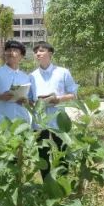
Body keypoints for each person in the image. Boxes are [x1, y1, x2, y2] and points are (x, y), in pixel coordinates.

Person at [29, 41, 78, 176]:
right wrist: (36, 102)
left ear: (50, 53)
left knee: (62, 151)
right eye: (36, 52)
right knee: (43, 155)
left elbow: (73, 94)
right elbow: (30, 99)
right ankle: (47, 185)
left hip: (59, 119)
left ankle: (62, 184)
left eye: (41, 51)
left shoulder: (63, 72)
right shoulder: (32, 76)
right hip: (40, 121)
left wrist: (58, 99)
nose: (38, 54)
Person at [0, 39, 36, 126]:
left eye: (15, 51)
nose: (11, 53)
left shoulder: (26, 77)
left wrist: (26, 101)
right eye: (8, 50)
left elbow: (31, 102)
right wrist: (1, 97)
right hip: (0, 123)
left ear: (21, 56)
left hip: (21, 123)